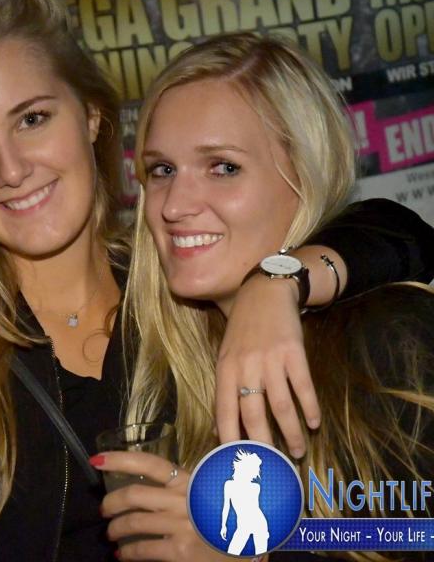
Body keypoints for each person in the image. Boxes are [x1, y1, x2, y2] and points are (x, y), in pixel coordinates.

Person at [0, 0, 434, 561]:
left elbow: (399, 233)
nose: (11, 169)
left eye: (32, 119)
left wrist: (276, 281)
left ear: (91, 117)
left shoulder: (187, 298)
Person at [94, 33, 434, 562]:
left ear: (303, 176)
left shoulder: (389, 339)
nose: (174, 206)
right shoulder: (155, 357)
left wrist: (256, 552)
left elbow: (415, 535)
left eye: (223, 167)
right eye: (162, 170)